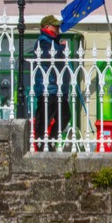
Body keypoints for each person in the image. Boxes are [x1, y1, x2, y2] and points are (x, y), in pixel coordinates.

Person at [32, 14, 68, 150]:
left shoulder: (53, 41)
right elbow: (51, 56)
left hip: (58, 88)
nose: (58, 28)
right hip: (48, 88)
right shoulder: (44, 42)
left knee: (65, 116)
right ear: (47, 27)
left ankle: (51, 141)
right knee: (45, 119)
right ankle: (42, 146)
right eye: (55, 26)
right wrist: (62, 48)